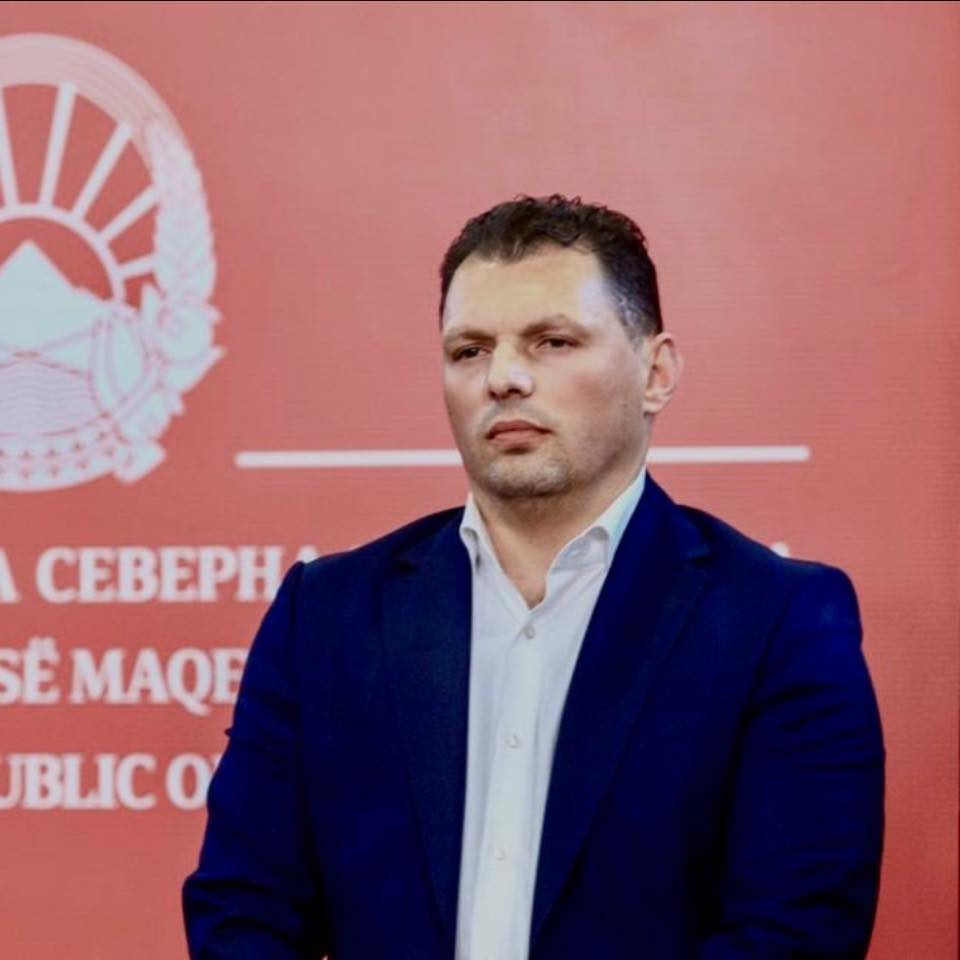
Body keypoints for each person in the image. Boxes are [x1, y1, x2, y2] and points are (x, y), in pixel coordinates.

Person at [183, 195, 884, 959]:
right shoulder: (324, 618)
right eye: (469, 351)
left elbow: (797, 932)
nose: (505, 377)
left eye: (552, 342)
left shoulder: (777, 621)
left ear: (655, 372)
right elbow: (244, 914)